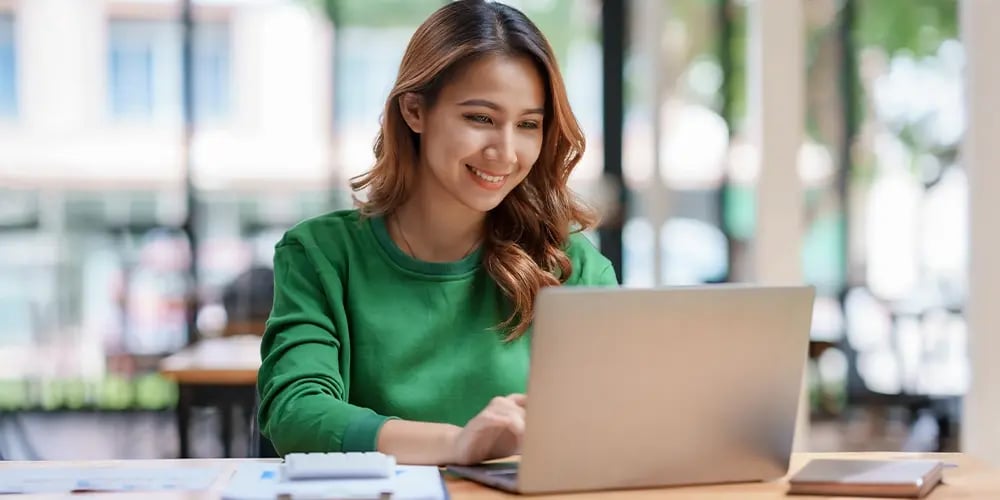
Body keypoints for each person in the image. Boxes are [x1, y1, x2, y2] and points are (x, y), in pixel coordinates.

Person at [256, 0, 617, 466]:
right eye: (480, 118)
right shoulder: (321, 254)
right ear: (414, 111)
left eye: (528, 125)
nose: (505, 152)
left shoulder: (571, 264)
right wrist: (459, 444)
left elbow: (611, 422)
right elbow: (296, 414)